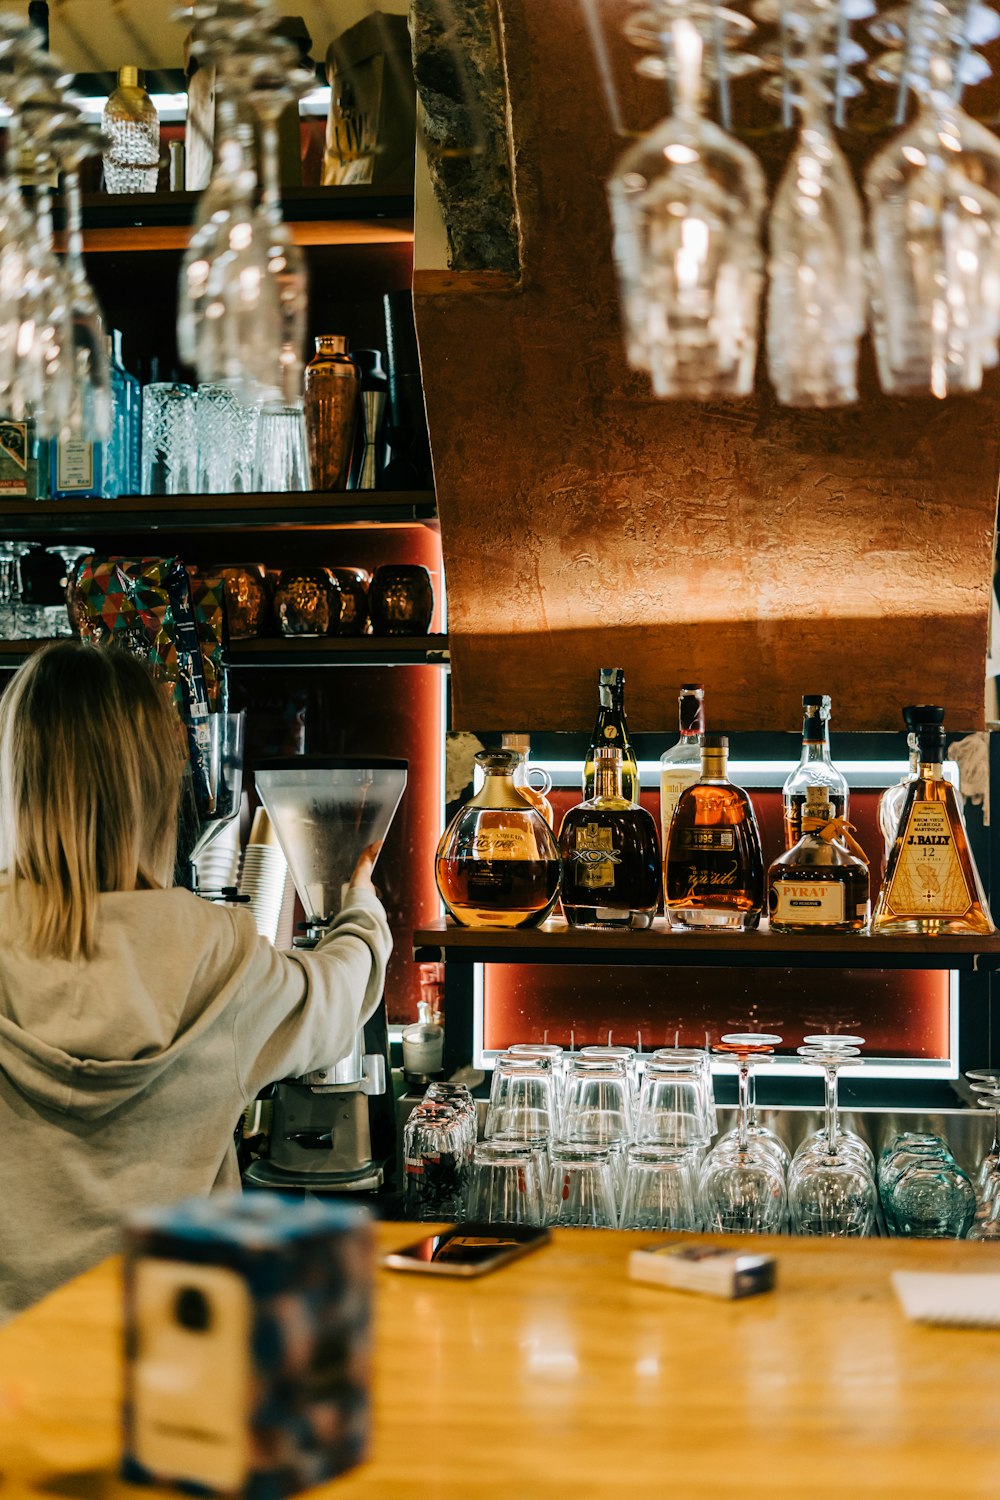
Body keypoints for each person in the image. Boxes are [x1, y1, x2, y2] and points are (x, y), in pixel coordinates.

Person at [0, 643, 392, 1320]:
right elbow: (341, 992)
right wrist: (360, 905)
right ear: (156, 789)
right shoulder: (220, 955)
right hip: (173, 1365)